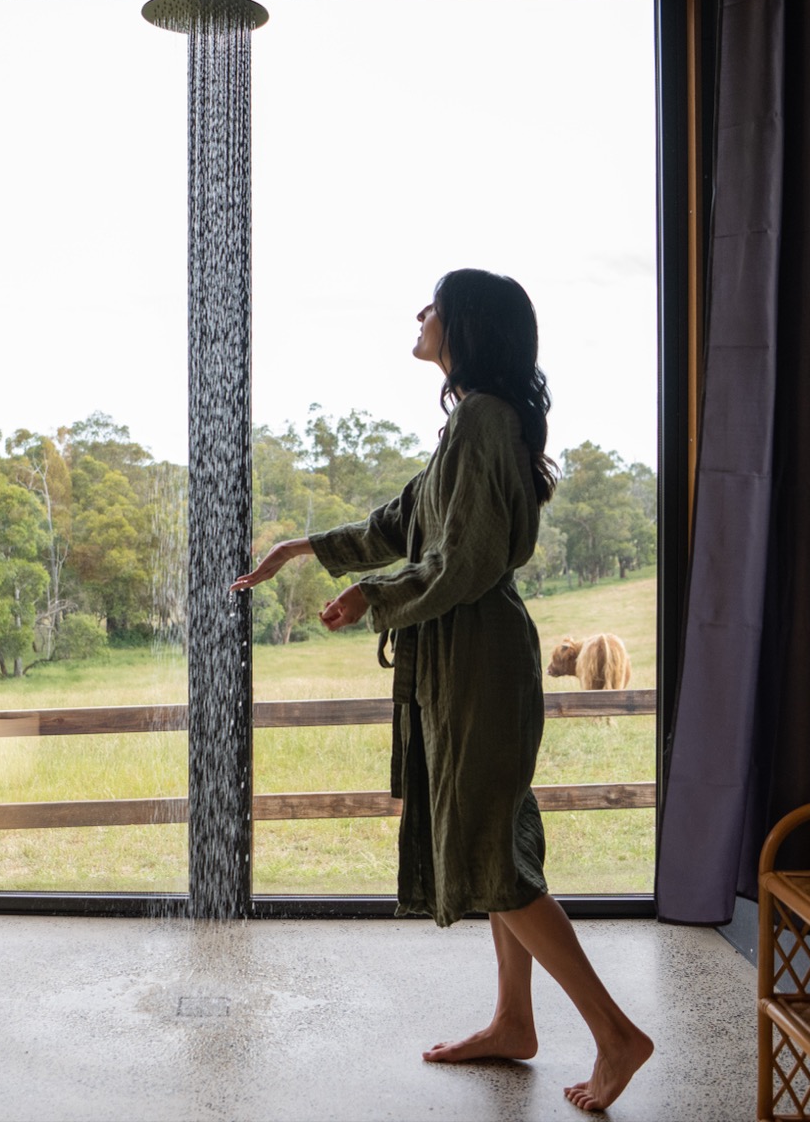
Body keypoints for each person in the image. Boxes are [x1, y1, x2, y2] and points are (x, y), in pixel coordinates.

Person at [229, 269, 653, 1113]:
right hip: (466, 658)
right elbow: (401, 524)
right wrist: (299, 549)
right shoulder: (474, 425)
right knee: (495, 844)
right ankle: (512, 1022)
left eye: (434, 305)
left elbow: (463, 563)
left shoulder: (485, 423)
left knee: (496, 855)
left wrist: (371, 596)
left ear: (467, 325)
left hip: (480, 661)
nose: (420, 316)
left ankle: (616, 1034)